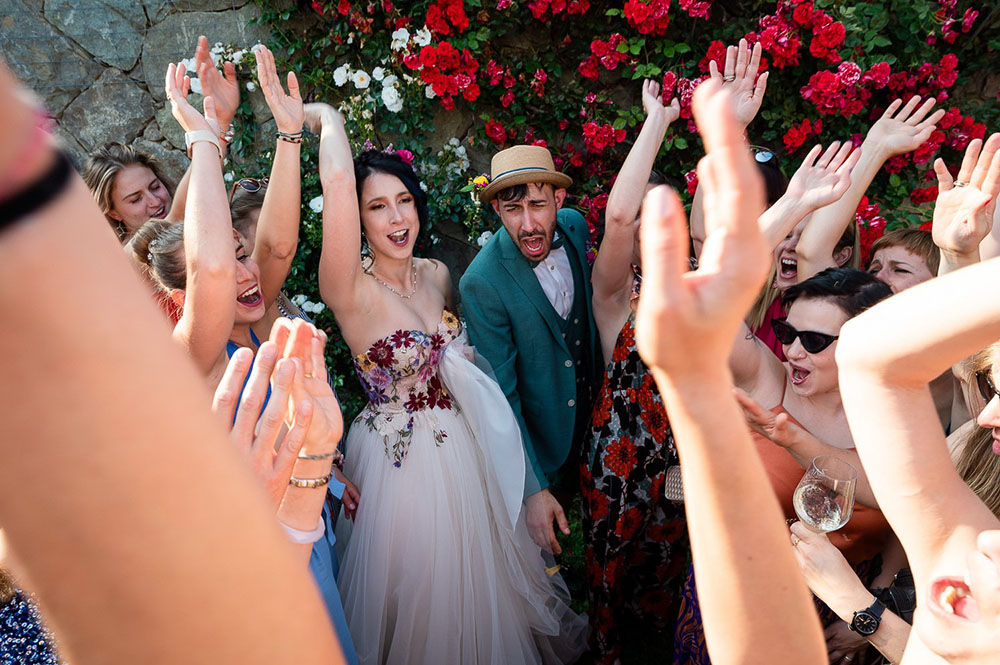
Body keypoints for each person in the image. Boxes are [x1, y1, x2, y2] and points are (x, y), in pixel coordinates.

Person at [0, 56, 345, 665]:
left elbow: (266, 249)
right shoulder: (167, 361)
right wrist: (204, 136)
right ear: (175, 304)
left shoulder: (234, 309)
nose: (243, 272)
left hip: (293, 530)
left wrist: (248, 135)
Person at [311, 102, 586, 664]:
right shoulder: (350, 291)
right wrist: (326, 122)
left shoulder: (437, 275)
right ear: (356, 219)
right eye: (377, 207)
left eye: (404, 201)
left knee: (485, 589)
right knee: (421, 594)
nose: (396, 219)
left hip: (467, 449)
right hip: (400, 467)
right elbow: (337, 180)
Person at [631, 79, 827, 665]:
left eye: (814, 340)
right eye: (791, 337)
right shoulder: (758, 350)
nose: (795, 348)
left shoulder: (797, 322)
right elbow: (721, 273)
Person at [581, 78, 688, 665]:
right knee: (608, 589)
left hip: (681, 467)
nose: (651, 225)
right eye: (646, 217)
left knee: (671, 586)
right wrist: (658, 122)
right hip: (615, 469)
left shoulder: (702, 294)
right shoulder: (617, 294)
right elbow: (619, 217)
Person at [459, 143, 602, 556]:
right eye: (513, 211)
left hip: (596, 421)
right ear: (498, 212)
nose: (527, 225)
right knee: (541, 556)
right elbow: (500, 395)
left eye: (538, 206)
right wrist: (533, 488)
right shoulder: (481, 282)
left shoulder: (574, 228)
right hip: (542, 441)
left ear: (559, 200)